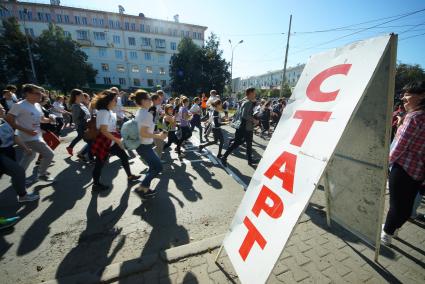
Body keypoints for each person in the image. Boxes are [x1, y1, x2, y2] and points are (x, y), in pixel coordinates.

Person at [381, 81, 425, 245]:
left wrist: (386, 164)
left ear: (422, 95)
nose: (403, 97)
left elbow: (399, 146)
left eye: (407, 94)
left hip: (402, 168)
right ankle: (393, 228)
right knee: (407, 206)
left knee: (397, 205)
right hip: (418, 172)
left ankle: (387, 233)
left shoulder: (413, 117)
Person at [90, 90, 140, 191]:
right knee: (99, 164)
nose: (116, 102)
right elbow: (103, 131)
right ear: (108, 101)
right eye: (114, 100)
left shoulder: (109, 112)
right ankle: (95, 185)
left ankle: (130, 176)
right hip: (105, 141)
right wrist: (117, 140)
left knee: (124, 157)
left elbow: (110, 128)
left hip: (110, 140)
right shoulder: (104, 112)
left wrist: (116, 131)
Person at [131, 90, 167, 198]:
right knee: (158, 167)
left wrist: (156, 132)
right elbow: (143, 133)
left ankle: (144, 189)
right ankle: (140, 188)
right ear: (142, 101)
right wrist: (159, 136)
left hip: (142, 145)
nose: (150, 100)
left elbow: (143, 130)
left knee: (152, 167)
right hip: (144, 146)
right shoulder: (146, 114)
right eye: (148, 98)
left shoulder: (140, 111)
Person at [0, 104, 39, 203]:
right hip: (1, 154)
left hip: (8, 151)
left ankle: (21, 191)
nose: (4, 109)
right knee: (18, 171)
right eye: (1, 108)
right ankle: (23, 196)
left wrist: (25, 148)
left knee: (16, 173)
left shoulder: (4, 121)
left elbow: (14, 136)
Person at [220, 87, 258, 167]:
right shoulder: (248, 102)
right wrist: (254, 120)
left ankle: (250, 160)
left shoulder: (246, 101)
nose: (255, 94)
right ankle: (224, 157)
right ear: (250, 93)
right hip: (244, 127)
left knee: (248, 144)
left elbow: (252, 105)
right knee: (237, 143)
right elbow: (245, 115)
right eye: (254, 93)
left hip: (246, 127)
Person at [66, 89, 91, 160]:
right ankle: (83, 155)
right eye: (81, 94)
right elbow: (75, 120)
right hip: (81, 126)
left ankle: (70, 147)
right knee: (90, 142)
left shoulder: (81, 104)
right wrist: (86, 120)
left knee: (80, 137)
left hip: (85, 125)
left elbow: (87, 114)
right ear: (77, 96)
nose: (83, 95)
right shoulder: (75, 106)